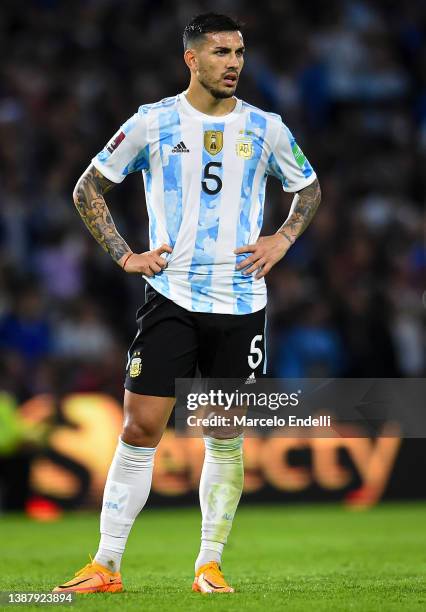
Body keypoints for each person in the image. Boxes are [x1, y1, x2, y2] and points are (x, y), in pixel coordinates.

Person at [53, 12, 321, 595]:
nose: (234, 63)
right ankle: (106, 564)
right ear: (191, 59)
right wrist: (126, 255)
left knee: (224, 434)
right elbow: (88, 188)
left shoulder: (265, 127)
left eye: (240, 52)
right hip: (172, 297)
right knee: (140, 426)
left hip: (242, 300)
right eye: (221, 51)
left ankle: (209, 563)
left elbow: (308, 185)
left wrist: (283, 238)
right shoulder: (153, 123)